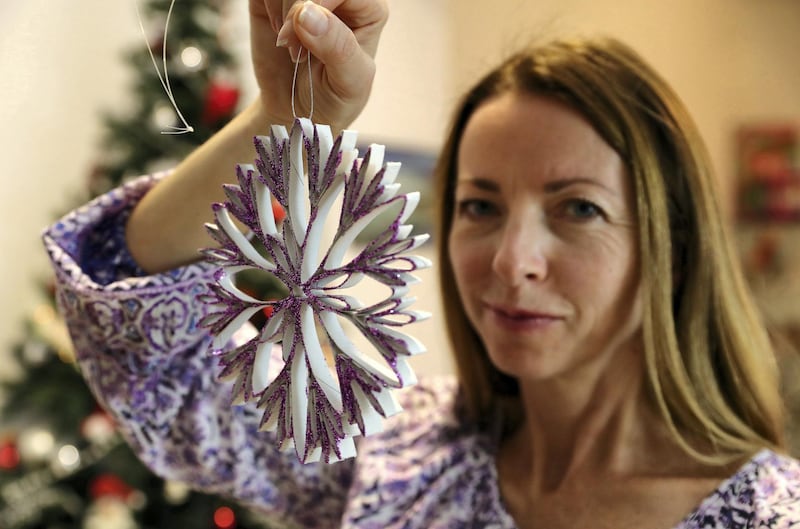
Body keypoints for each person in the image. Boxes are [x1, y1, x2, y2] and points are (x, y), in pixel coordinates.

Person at [43, 1, 800, 527]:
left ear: (672, 243)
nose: (511, 260)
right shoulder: (397, 455)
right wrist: (279, 123)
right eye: (479, 205)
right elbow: (147, 358)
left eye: (578, 208)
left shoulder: (768, 513)